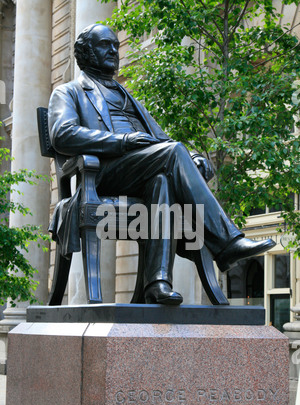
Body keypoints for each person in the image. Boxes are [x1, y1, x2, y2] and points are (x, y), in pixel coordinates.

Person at [48, 24, 275, 305]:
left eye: (116, 46)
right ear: (85, 52)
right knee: (171, 156)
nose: (114, 51)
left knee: (162, 181)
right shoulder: (68, 92)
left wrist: (192, 157)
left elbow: (163, 140)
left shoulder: (127, 95)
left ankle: (156, 282)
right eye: (105, 45)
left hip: (143, 169)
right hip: (103, 174)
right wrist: (122, 141)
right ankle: (227, 242)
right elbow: (62, 134)